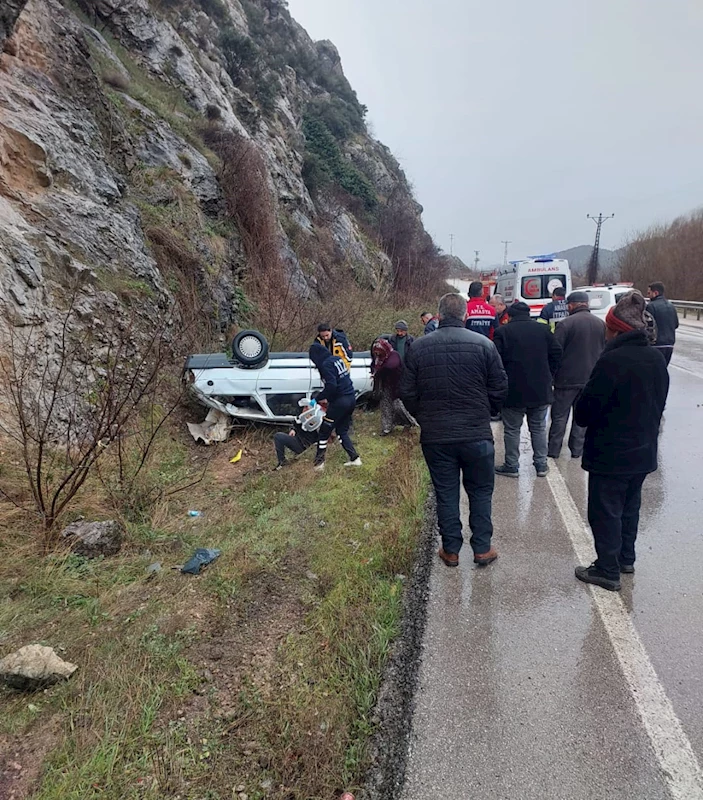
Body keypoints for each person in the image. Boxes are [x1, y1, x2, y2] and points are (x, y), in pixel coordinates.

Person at [400, 293, 508, 568]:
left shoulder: (419, 347)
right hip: (476, 433)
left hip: (437, 436)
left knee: (446, 491)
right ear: (464, 315)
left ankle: (450, 550)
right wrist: (486, 413)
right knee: (481, 492)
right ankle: (482, 548)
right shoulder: (484, 345)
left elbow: (407, 392)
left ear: (438, 316)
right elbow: (500, 388)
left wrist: (423, 416)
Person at [574, 291, 669, 591]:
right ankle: (626, 558)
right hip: (643, 452)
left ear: (616, 329)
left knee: (605, 511)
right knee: (630, 507)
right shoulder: (656, 359)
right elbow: (659, 405)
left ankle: (607, 569)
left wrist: (580, 397)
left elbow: (586, 412)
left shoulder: (611, 361)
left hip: (611, 453)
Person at [493, 303, 562, 478]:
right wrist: (549, 374)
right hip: (540, 388)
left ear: (510, 315)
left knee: (512, 429)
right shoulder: (544, 330)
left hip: (513, 389)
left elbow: (496, 362)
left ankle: (512, 465)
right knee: (538, 428)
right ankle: (541, 465)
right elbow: (557, 353)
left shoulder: (503, 332)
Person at [547, 291, 605, 460]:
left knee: (559, 416)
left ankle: (553, 451)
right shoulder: (601, 324)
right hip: (590, 378)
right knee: (581, 418)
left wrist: (552, 376)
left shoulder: (565, 324)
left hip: (566, 379)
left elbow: (555, 352)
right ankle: (577, 450)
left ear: (571, 305)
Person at [309, 343, 361, 470]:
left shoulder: (326, 365)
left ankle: (319, 463)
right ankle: (354, 458)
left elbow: (331, 386)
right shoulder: (337, 359)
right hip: (350, 398)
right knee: (342, 430)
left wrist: (317, 399)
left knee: (324, 431)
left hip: (340, 402)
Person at [371, 338, 417, 435]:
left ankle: (410, 422)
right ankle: (386, 428)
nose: (378, 355)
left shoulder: (394, 356)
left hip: (397, 385)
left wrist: (378, 373)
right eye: (376, 353)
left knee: (398, 406)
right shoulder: (378, 358)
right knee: (385, 407)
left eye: (379, 352)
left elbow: (390, 366)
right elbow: (374, 365)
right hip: (385, 385)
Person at [273, 404, 323, 469]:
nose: (305, 409)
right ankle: (282, 462)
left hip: (306, 446)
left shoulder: (316, 420)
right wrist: (293, 430)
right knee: (278, 436)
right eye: (304, 407)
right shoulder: (300, 417)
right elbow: (294, 424)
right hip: (297, 441)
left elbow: (322, 434)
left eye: (307, 408)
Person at [646, 281, 679, 365]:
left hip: (656, 345)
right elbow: (676, 325)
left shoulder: (651, 306)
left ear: (655, 293)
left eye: (649, 293)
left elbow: (647, 326)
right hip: (670, 344)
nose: (647, 295)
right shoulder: (671, 306)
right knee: (663, 370)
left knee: (653, 372)